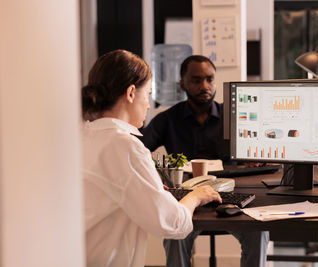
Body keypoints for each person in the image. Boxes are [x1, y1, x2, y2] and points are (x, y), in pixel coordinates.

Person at [81, 50, 222, 267]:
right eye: (147, 94)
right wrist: (196, 196)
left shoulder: (84, 136)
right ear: (130, 93)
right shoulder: (126, 147)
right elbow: (172, 224)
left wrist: (152, 188)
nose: (148, 105)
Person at [141, 55, 269, 267]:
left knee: (258, 231)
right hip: (187, 201)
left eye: (209, 79)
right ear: (182, 83)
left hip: (232, 198)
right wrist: (157, 176)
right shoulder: (167, 119)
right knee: (174, 235)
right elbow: (140, 151)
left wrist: (256, 159)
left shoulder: (234, 116)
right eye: (196, 80)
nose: (205, 86)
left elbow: (260, 148)